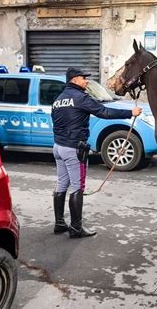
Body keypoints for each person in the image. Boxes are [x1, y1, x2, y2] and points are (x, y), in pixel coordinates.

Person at [51, 67, 143, 237]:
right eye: (83, 78)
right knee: (77, 187)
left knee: (62, 184)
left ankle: (59, 224)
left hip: (58, 147)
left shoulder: (58, 100)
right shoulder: (80, 97)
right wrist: (130, 112)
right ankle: (76, 228)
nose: (86, 81)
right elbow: (104, 112)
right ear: (74, 80)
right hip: (73, 149)